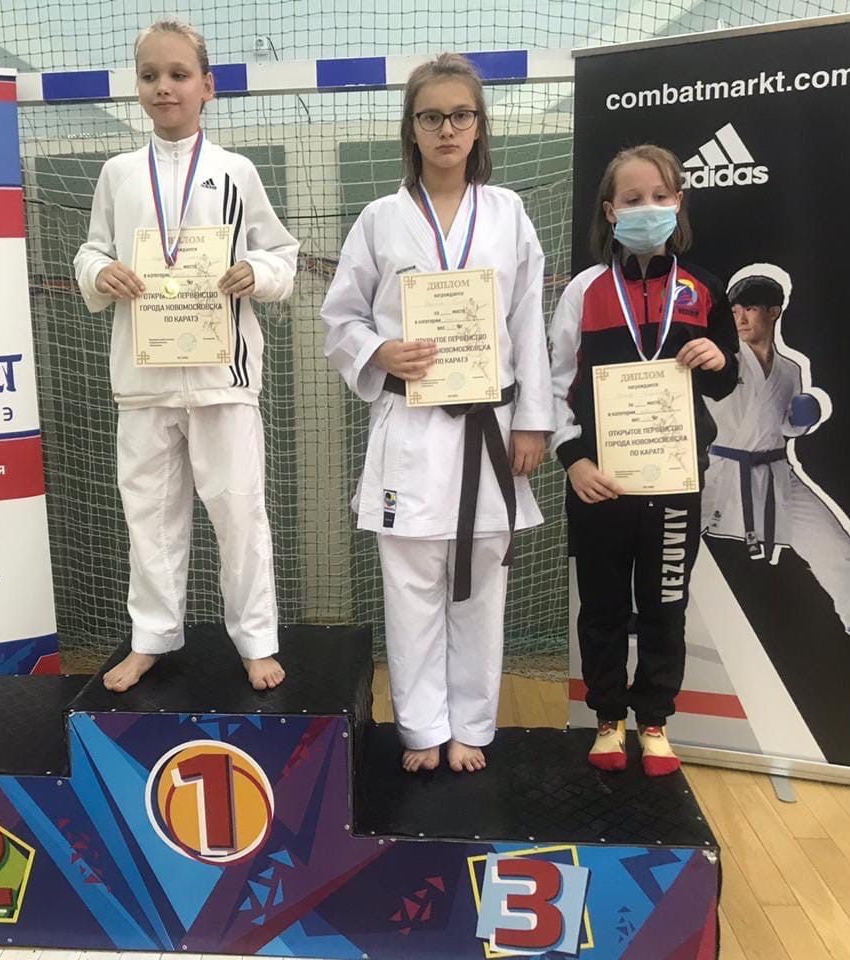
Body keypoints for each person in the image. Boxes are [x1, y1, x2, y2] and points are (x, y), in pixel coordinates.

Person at [322, 54, 554, 774]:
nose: (447, 129)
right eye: (432, 116)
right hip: (412, 427)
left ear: (479, 126)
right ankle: (423, 726)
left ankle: (472, 726)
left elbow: (528, 323)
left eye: (461, 115)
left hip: (490, 426)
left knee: (482, 583)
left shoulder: (507, 212)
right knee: (411, 583)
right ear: (412, 128)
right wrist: (379, 349)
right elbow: (340, 317)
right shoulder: (379, 219)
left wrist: (534, 420)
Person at [74, 19, 298, 692]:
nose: (163, 87)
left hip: (221, 378)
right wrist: (101, 272)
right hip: (142, 379)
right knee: (149, 516)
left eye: (178, 74)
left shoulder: (236, 171)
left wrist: (257, 272)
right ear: (137, 87)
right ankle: (151, 637)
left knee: (239, 512)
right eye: (150, 76)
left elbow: (281, 253)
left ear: (208, 86)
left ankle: (256, 641)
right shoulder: (118, 174)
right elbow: (90, 250)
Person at [549, 144, 738, 775]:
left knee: (664, 607)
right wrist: (572, 460)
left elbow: (725, 380)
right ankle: (608, 719)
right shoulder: (584, 290)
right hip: (599, 482)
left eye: (659, 197)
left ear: (678, 203)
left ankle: (654, 721)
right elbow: (556, 386)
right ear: (610, 211)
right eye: (632, 199)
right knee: (602, 607)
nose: (646, 208)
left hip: (675, 482)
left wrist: (718, 358)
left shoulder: (703, 288)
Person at [702, 264, 850, 635]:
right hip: (719, 469)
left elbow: (785, 427)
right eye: (735, 311)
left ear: (773, 311)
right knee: (669, 541)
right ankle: (637, 610)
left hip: (776, 470)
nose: (741, 318)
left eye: (750, 309)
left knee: (838, 549)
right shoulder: (722, 360)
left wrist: (804, 417)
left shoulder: (791, 369)